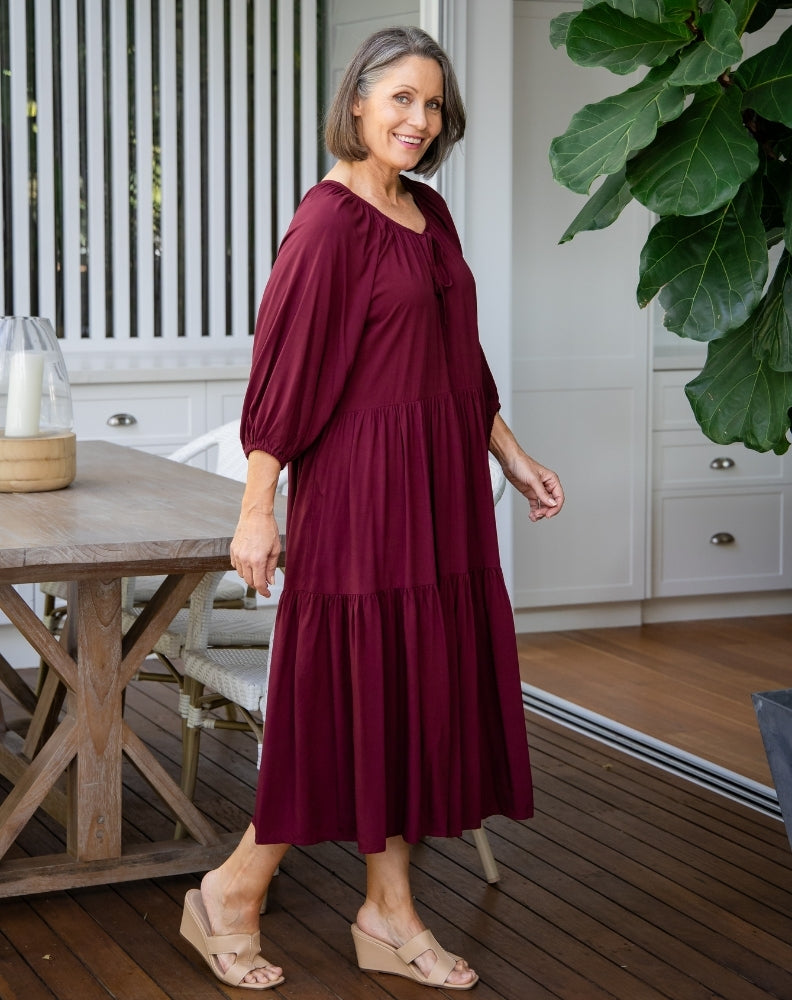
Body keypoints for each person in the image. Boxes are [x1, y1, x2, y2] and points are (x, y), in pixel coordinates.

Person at [178, 24, 564, 992]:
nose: (418, 119)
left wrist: (511, 456)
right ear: (356, 101)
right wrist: (257, 508)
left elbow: (456, 360)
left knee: (406, 696)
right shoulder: (326, 223)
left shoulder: (430, 215)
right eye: (400, 98)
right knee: (343, 705)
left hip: (438, 495)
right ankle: (230, 889)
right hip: (359, 495)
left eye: (431, 103)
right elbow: (284, 379)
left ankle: (388, 912)